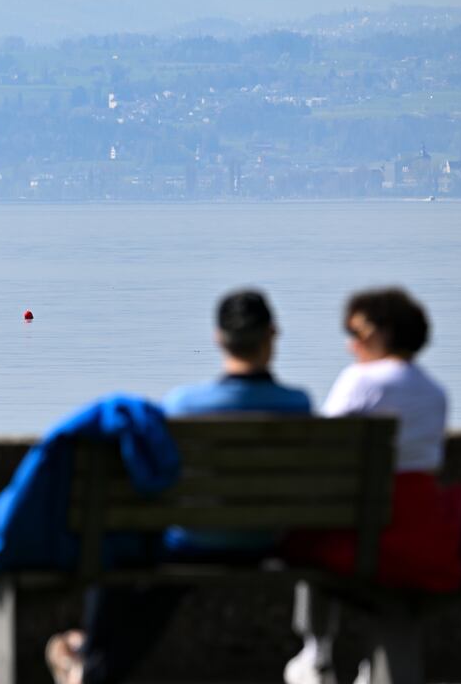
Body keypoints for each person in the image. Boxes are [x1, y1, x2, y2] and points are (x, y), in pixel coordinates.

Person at [46, 289, 312, 684]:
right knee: (161, 588)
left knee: (126, 558)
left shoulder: (184, 405)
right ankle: (93, 666)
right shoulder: (298, 405)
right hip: (264, 540)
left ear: (218, 338)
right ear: (272, 336)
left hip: (196, 541)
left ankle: (89, 660)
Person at [282, 287, 461, 684]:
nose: (351, 346)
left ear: (381, 334)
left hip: (366, 533)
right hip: (420, 534)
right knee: (393, 596)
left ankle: (316, 651)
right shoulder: (436, 393)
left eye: (357, 334)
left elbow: (322, 448)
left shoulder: (362, 381)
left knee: (307, 532)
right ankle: (375, 670)